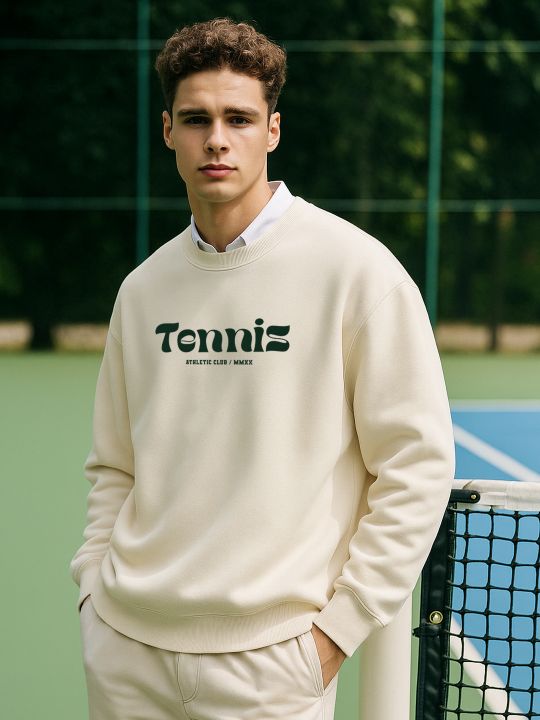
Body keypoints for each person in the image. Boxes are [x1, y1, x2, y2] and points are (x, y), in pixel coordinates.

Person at [70, 16, 455, 720]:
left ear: (272, 131)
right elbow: (115, 467)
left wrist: (335, 634)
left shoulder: (357, 271)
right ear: (168, 131)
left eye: (239, 119)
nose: (217, 139)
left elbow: (417, 464)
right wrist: (94, 594)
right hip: (126, 655)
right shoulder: (143, 290)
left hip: (273, 668)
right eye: (196, 119)